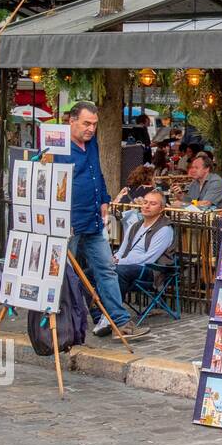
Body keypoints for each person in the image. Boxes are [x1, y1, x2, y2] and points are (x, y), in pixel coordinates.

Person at [58, 101, 148, 340]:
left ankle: (120, 322)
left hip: (93, 219)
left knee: (106, 269)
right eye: (86, 123)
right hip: (69, 221)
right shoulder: (58, 146)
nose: (90, 129)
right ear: (72, 121)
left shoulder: (91, 144)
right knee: (64, 274)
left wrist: (105, 199)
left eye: (94, 125)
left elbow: (96, 171)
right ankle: (62, 323)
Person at [110, 189, 175, 325]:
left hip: (150, 270)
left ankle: (113, 315)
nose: (146, 206)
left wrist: (120, 262)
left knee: (119, 271)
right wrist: (115, 258)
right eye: (145, 202)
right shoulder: (135, 225)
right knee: (91, 272)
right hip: (127, 265)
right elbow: (122, 249)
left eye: (152, 204)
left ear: (161, 208)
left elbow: (148, 258)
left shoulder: (164, 229)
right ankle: (99, 315)